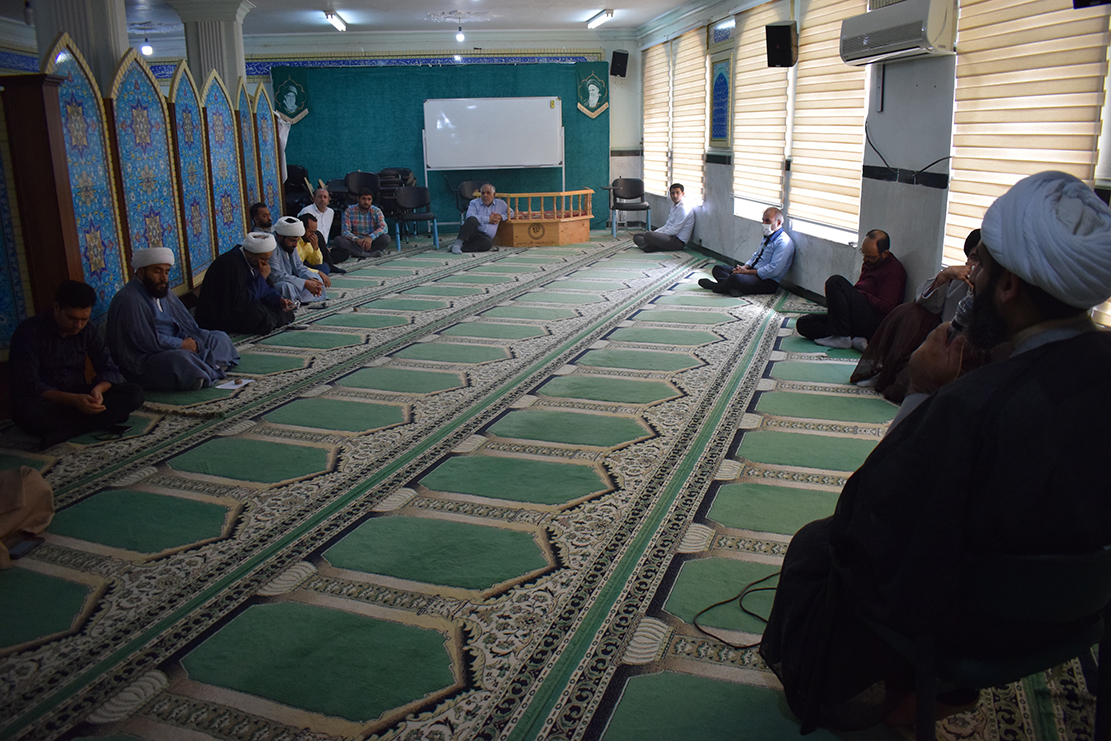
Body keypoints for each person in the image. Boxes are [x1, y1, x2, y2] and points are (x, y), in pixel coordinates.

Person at [760, 171, 1111, 733]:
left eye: (980, 271)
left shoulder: (975, 405)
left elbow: (867, 514)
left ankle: (887, 695)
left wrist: (922, 391)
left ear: (1008, 287)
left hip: (979, 621)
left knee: (818, 547)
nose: (971, 282)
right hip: (1085, 609)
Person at [850, 229, 989, 401]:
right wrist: (943, 276)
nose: (976, 268)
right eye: (973, 258)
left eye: (983, 262)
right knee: (909, 312)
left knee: (901, 388)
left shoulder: (998, 292)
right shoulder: (958, 280)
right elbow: (924, 302)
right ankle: (883, 371)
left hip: (965, 355)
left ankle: (896, 381)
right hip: (940, 339)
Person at [8, 280, 144, 449]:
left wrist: (98, 391)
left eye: (84, 319)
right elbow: (29, 385)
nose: (78, 325)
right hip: (46, 401)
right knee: (28, 414)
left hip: (78, 394)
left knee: (134, 393)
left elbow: (109, 368)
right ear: (56, 307)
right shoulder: (29, 332)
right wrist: (73, 400)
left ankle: (69, 431)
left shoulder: (87, 329)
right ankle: (93, 422)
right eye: (71, 318)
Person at [107, 247, 240, 391]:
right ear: (140, 272)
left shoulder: (162, 291)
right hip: (149, 356)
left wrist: (192, 340)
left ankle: (202, 370)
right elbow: (145, 341)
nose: (163, 278)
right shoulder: (129, 299)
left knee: (219, 337)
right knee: (179, 360)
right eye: (157, 271)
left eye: (166, 272)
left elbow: (185, 322)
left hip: (178, 343)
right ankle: (207, 368)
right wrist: (181, 344)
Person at [795, 229, 906, 349]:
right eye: (863, 254)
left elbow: (886, 307)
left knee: (835, 282)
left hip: (874, 322)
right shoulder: (871, 263)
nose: (865, 260)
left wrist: (860, 295)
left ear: (885, 253)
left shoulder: (893, 271)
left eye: (869, 257)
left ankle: (843, 337)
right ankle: (853, 337)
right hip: (854, 319)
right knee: (804, 323)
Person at [195, 232, 296, 335]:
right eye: (262, 259)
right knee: (258, 315)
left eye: (267, 259)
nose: (265, 263)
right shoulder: (231, 265)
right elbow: (242, 300)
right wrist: (262, 277)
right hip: (222, 315)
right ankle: (275, 320)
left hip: (245, 303)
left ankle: (275, 320)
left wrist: (278, 299)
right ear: (249, 253)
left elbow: (263, 289)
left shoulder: (252, 261)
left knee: (281, 308)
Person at [698, 207, 794, 295]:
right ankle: (734, 288)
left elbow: (773, 270)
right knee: (719, 269)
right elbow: (756, 257)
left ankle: (716, 287)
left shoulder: (783, 242)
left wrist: (747, 272)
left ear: (778, 223)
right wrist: (743, 268)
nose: (764, 224)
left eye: (768, 221)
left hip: (767, 281)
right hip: (752, 273)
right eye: (763, 220)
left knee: (735, 278)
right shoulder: (767, 236)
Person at [270, 215, 329, 305]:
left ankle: (298, 298)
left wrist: (310, 278)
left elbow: (299, 266)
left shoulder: (290, 245)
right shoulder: (271, 245)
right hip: (275, 283)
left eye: (297, 241)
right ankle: (294, 301)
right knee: (286, 287)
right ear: (280, 236)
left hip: (291, 279)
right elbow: (276, 275)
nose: (295, 245)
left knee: (317, 279)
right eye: (293, 240)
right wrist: (304, 283)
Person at [450, 183, 513, 254]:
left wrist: (501, 217)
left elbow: (511, 213)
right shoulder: (474, 203)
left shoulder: (500, 204)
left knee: (488, 243)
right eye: (483, 193)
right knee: (472, 220)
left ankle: (459, 248)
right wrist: (488, 219)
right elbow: (469, 217)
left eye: (488, 193)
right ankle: (457, 244)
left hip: (485, 237)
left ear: (494, 194)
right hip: (472, 232)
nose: (485, 195)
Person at [633, 182, 695, 253]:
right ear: (670, 194)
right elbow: (667, 225)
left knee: (648, 235)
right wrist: (656, 233)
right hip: (669, 237)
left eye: (677, 193)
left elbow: (674, 231)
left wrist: (656, 235)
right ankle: (651, 247)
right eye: (672, 193)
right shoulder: (674, 206)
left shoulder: (683, 208)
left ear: (683, 194)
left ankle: (650, 246)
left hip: (677, 241)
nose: (675, 196)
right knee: (637, 236)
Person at [333, 189, 390, 258]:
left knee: (386, 238)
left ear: (372, 200)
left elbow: (384, 227)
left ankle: (359, 253)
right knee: (338, 240)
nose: (366, 202)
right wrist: (356, 239)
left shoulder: (376, 211)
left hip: (371, 242)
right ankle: (368, 254)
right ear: (358, 199)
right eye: (363, 199)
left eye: (369, 199)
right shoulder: (349, 210)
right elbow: (345, 231)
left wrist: (370, 237)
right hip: (355, 242)